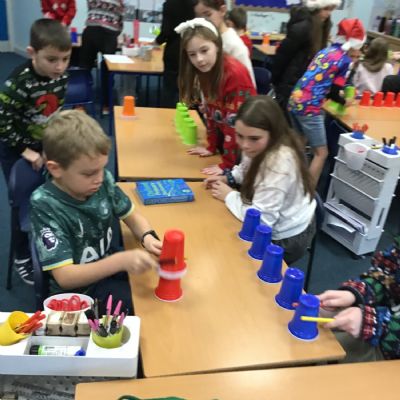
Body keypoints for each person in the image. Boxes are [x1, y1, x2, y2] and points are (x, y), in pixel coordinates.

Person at [30, 110, 162, 313]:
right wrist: (119, 262)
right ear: (56, 169)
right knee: (150, 308)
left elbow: (131, 214)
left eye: (102, 168)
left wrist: (147, 237)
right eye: (89, 173)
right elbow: (65, 277)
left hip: (107, 269)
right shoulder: (45, 204)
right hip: (80, 296)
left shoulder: (101, 180)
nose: (100, 178)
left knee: (155, 282)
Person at [0, 18, 71, 285]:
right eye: (52, 59)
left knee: (51, 198)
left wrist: (50, 145)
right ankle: (22, 257)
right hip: (15, 149)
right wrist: (25, 150)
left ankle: (50, 247)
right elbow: (2, 123)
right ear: (32, 53)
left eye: (65, 59)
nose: (60, 67)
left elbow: (55, 113)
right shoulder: (17, 83)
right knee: (23, 202)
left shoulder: (60, 77)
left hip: (44, 146)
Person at [204, 96, 316, 265]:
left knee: (235, 263)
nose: (245, 145)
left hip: (286, 237)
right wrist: (229, 177)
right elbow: (245, 168)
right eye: (239, 136)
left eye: (254, 138)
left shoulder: (279, 165)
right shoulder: (259, 146)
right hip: (268, 212)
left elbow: (262, 222)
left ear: (273, 134)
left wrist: (229, 196)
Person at [288, 18, 366, 187]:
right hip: (309, 106)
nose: (356, 55)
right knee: (321, 153)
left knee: (299, 144)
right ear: (354, 44)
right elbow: (333, 92)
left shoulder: (326, 51)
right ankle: (307, 192)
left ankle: (291, 182)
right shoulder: (344, 60)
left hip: (295, 98)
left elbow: (318, 78)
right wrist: (345, 101)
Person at [175, 18, 256, 175]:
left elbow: (234, 124)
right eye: (192, 54)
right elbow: (212, 112)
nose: (199, 59)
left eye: (204, 50)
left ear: (217, 46)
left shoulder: (234, 74)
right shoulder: (206, 71)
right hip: (229, 146)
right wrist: (211, 146)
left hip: (247, 150)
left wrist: (227, 165)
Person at [318, 238, 400, 362]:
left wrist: (376, 324)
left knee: (321, 351)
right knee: (317, 316)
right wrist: (356, 293)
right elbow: (386, 274)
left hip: (391, 353)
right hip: (382, 318)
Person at [270, 0, 340, 116]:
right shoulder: (302, 28)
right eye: (325, 9)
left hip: (306, 84)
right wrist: (276, 80)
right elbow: (283, 56)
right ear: (315, 8)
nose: (328, 13)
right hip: (291, 84)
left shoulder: (324, 26)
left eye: (331, 10)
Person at [193, 0, 255, 87]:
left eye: (208, 15)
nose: (203, 22)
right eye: (199, 17)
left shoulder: (234, 46)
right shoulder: (206, 39)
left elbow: (248, 85)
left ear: (222, 10)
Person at [79, 0, 124, 114]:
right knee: (108, 71)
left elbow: (90, 9)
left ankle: (80, 105)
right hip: (109, 34)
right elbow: (120, 19)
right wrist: (114, 32)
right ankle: (106, 105)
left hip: (92, 31)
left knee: (85, 68)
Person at [155, 0, 194, 108]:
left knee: (169, 88)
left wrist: (157, 41)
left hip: (173, 51)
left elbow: (166, 31)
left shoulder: (169, 4)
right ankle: (187, 114)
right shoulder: (195, 3)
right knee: (188, 88)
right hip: (191, 49)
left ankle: (166, 115)